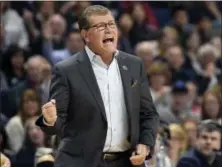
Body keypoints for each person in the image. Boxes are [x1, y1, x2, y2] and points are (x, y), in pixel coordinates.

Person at [36, 5, 159, 167]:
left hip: (125, 162)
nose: (108, 30)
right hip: (81, 163)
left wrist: (145, 143)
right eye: (101, 26)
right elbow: (58, 123)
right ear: (86, 35)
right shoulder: (66, 70)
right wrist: (50, 120)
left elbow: (148, 114)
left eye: (111, 24)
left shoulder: (134, 65)